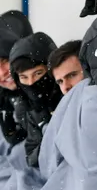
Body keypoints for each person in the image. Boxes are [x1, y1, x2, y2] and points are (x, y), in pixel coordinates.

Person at [10, 33, 64, 168]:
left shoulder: (69, 93)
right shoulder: (31, 109)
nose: (31, 82)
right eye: (24, 77)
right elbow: (31, 156)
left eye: (38, 73)